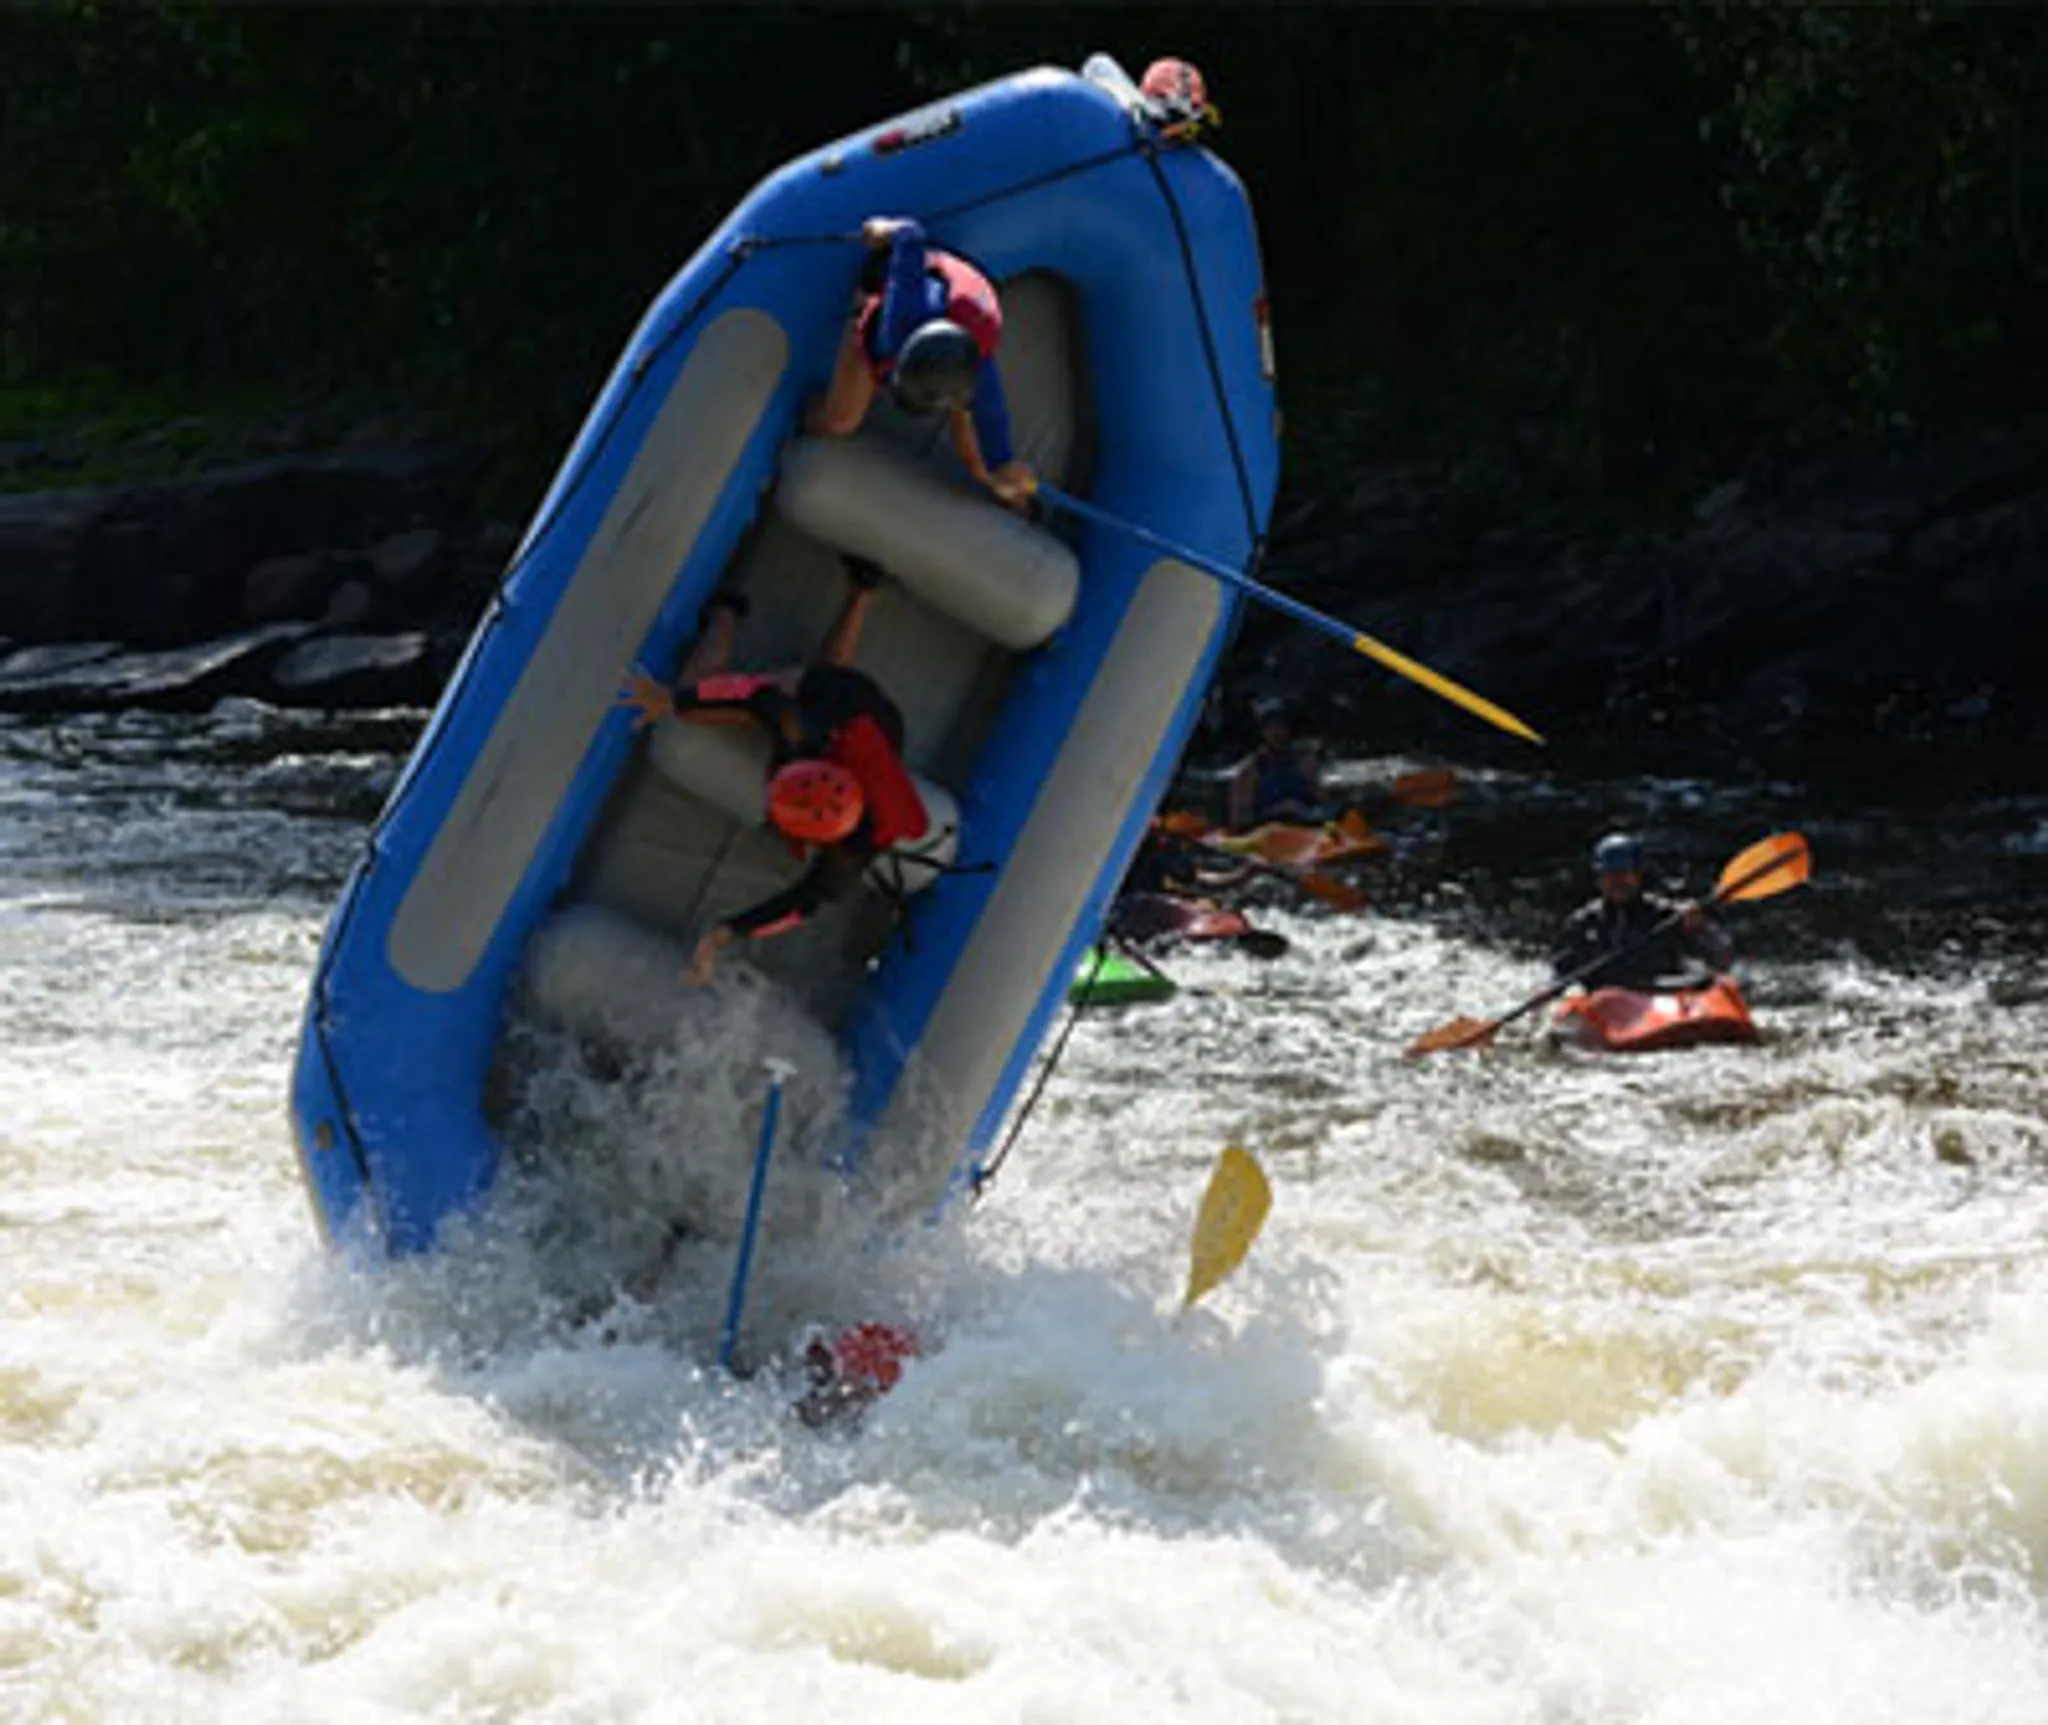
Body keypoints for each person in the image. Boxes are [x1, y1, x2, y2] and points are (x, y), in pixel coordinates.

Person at [618, 555, 928, 985]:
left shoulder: (848, 857)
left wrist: (723, 935)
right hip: (843, 702)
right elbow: (754, 695)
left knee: (825, 681)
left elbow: (797, 905)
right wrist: (674, 702)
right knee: (719, 697)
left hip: (872, 718)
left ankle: (863, 591)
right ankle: (727, 612)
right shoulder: (798, 732)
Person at [804, 214, 1036, 511]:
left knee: (980, 461)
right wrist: (882, 230)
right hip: (906, 289)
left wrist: (1004, 468)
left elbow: (994, 426)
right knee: (840, 420)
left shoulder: (977, 369)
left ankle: (1019, 504)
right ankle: (800, 420)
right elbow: (911, 235)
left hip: (957, 321)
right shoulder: (900, 318)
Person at [1551, 832, 1734, 993]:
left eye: (1624, 874)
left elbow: (1723, 958)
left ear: (1638, 875)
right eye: (1610, 876)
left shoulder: (1666, 915)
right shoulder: (1583, 923)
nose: (1617, 882)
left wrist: (1700, 928)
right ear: (1599, 879)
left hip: (1663, 998)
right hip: (1608, 1003)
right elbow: (1559, 975)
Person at [1225, 698, 1329, 831]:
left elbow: (1324, 803)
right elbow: (1239, 822)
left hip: (1305, 831)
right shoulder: (1250, 771)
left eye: (1281, 726)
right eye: (1271, 727)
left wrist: (1314, 783)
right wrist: (1277, 811)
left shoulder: (1303, 761)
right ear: (1262, 732)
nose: (1277, 733)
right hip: (1268, 835)